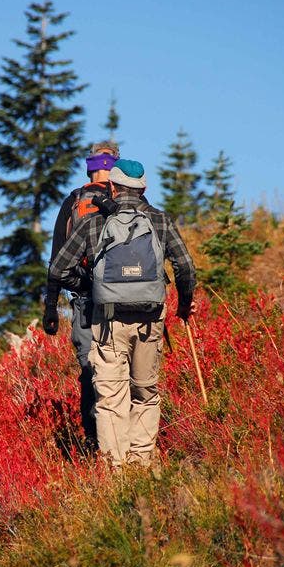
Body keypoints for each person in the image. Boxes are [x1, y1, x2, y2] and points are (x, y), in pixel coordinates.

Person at [48, 159, 196, 469]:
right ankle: (140, 463)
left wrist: (90, 286)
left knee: (110, 397)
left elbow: (58, 269)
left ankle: (116, 469)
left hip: (108, 320)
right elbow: (185, 267)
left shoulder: (94, 223)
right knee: (145, 391)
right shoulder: (160, 220)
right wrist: (184, 304)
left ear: (113, 188)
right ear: (143, 189)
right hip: (150, 319)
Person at [42, 141, 120, 449]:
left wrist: (51, 306)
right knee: (123, 368)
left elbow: (56, 259)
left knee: (90, 370)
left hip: (86, 299)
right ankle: (124, 441)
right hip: (126, 301)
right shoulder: (131, 200)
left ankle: (93, 439)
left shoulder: (74, 201)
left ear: (90, 168)